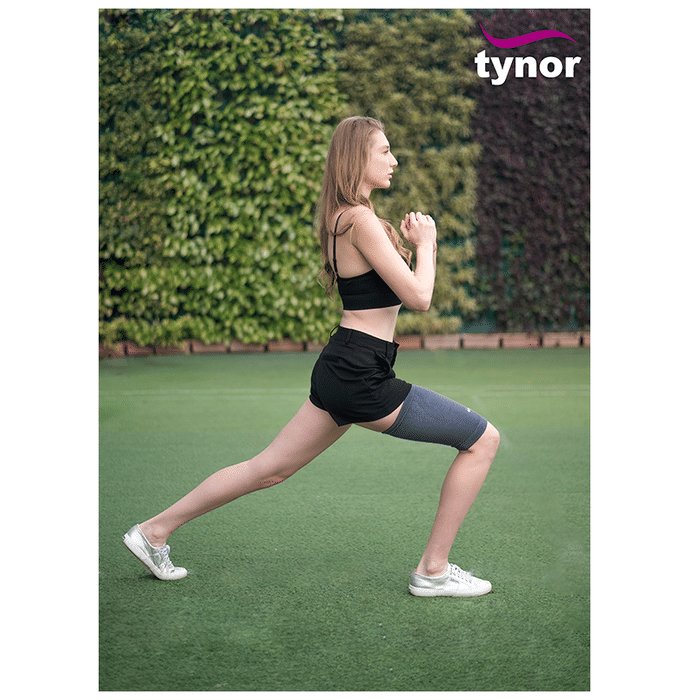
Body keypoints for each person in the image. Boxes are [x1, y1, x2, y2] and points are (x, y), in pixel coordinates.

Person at [123, 116, 500, 597]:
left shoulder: (346, 218)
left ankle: (153, 531)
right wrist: (427, 246)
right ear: (358, 157)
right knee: (481, 440)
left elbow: (395, 290)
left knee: (269, 469)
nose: (394, 160)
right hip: (360, 374)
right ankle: (432, 571)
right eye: (384, 151)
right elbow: (420, 297)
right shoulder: (359, 220)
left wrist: (414, 247)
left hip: (344, 365)